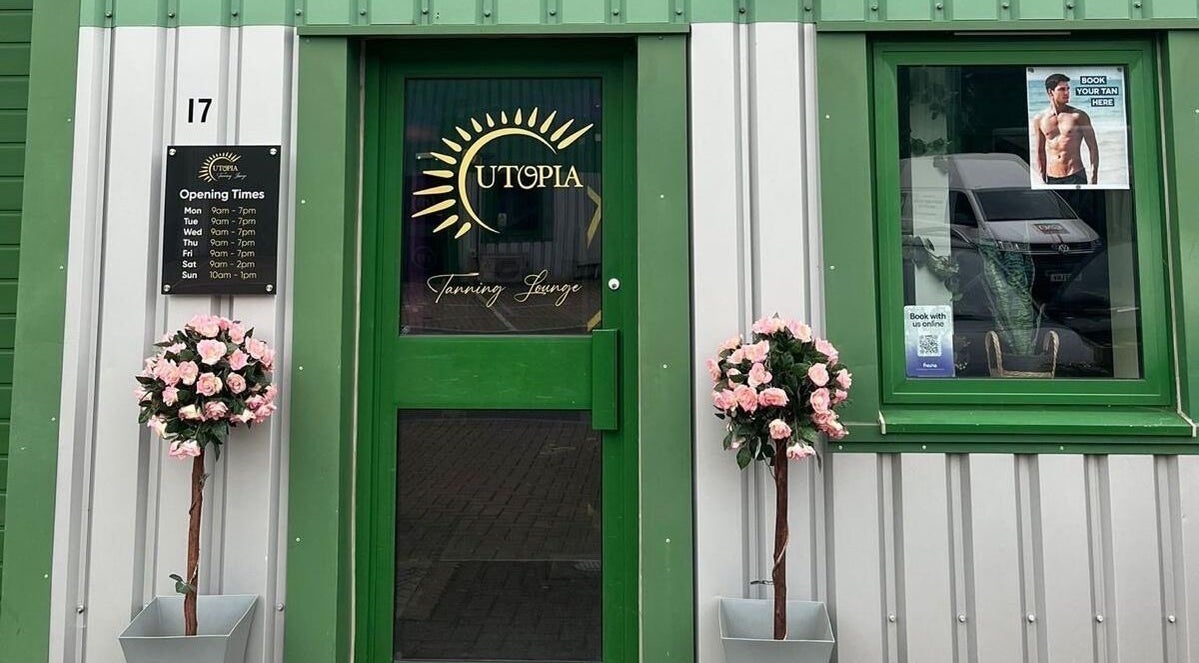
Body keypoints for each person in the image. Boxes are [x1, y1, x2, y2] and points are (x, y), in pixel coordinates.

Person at [1031, 73, 1099, 186]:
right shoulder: (1040, 119)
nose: (1067, 93)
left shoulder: (1078, 116)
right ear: (1050, 92)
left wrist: (1094, 176)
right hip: (1052, 177)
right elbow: (1040, 152)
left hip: (1075, 175)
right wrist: (1041, 179)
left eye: (1068, 89)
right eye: (1062, 89)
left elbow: (1093, 147)